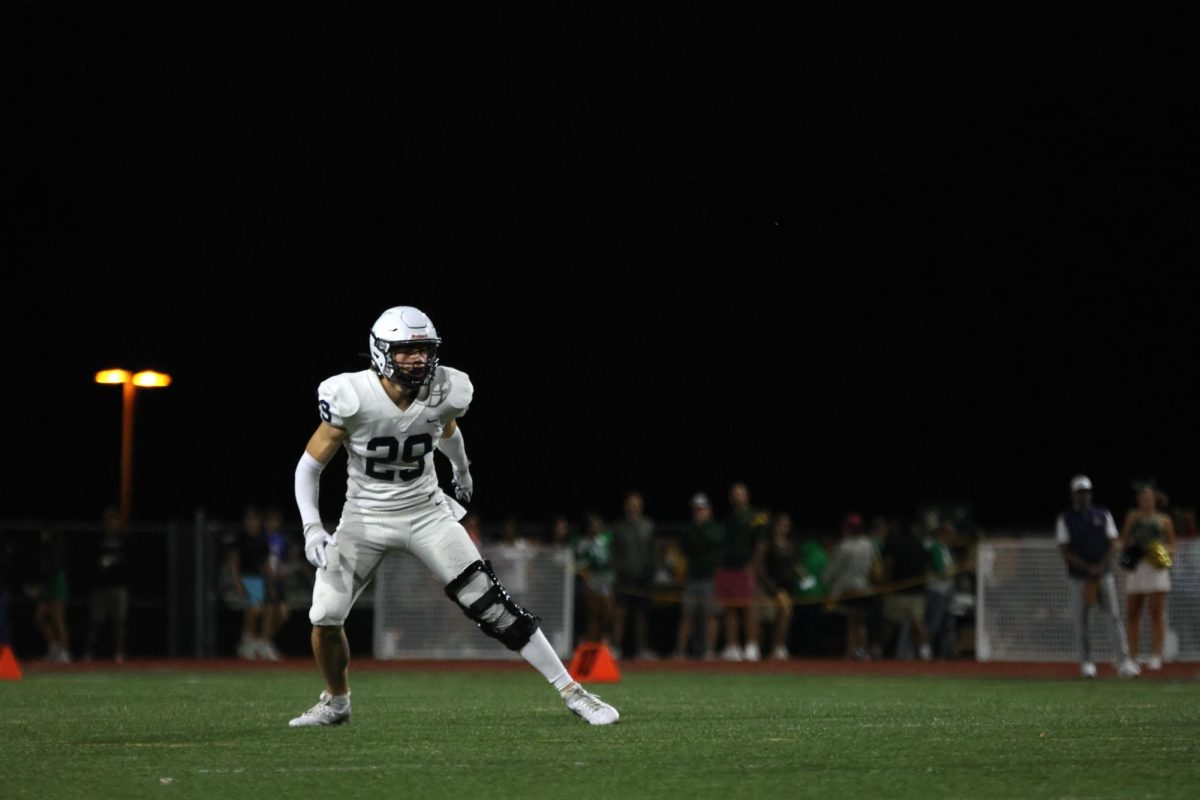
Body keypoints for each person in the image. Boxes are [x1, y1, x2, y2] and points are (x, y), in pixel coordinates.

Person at [289, 305, 618, 727]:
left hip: (426, 512)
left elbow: (446, 430)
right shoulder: (351, 396)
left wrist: (462, 472)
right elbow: (309, 467)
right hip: (364, 519)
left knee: (492, 604)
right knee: (325, 616)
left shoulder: (445, 390)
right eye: (406, 350)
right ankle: (336, 703)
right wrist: (312, 527)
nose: (418, 358)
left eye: (424, 349)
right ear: (379, 351)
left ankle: (574, 691)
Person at [1055, 475, 1139, 678]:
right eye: (1080, 492)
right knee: (1080, 620)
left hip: (1103, 575)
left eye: (1087, 492)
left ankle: (1123, 662)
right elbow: (1065, 551)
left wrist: (1100, 567)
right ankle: (1086, 663)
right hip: (1078, 578)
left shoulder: (1102, 514)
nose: (1084, 496)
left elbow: (1113, 543)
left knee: (1114, 617)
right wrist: (1088, 568)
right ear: (1073, 494)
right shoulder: (1066, 518)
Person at [1120, 479, 1177, 670]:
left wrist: (1161, 553)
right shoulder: (1132, 517)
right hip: (1137, 568)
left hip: (1155, 568)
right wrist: (1130, 551)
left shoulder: (1164, 520)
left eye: (1149, 497)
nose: (1145, 500)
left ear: (1154, 499)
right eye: (1142, 497)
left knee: (1156, 612)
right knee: (1132, 612)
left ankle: (1156, 655)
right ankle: (1132, 657)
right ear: (1138, 500)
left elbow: (1172, 545)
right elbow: (1125, 540)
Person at [715, 481, 768, 661]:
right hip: (728, 568)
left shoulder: (756, 517)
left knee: (747, 608)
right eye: (734, 493)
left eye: (740, 493)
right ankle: (732, 646)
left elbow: (761, 544)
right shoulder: (727, 520)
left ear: (747, 496)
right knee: (729, 608)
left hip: (745, 568)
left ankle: (752, 646)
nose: (737, 496)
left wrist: (753, 565)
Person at [671, 493, 725, 660]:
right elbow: (685, 547)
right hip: (692, 577)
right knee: (687, 614)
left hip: (710, 577)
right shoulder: (690, 528)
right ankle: (680, 651)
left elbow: (712, 542)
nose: (698, 513)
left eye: (702, 509)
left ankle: (709, 651)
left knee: (711, 614)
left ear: (708, 510)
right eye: (696, 510)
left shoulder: (715, 527)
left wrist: (700, 535)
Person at [610, 490, 657, 660]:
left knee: (641, 616)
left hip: (643, 578)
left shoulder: (648, 526)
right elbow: (613, 552)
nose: (634, 507)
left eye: (637, 505)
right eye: (631, 504)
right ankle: (615, 648)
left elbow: (653, 552)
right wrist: (617, 571)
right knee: (619, 614)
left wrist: (651, 572)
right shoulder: (619, 528)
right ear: (626, 507)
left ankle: (641, 649)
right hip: (623, 577)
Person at [84, 507, 131, 663]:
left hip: (118, 587)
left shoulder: (124, 540)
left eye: (114, 520)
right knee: (95, 621)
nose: (112, 524)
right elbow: (90, 562)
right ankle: (89, 654)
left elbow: (130, 563)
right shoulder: (98, 540)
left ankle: (119, 654)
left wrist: (114, 563)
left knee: (119, 622)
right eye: (109, 521)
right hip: (100, 588)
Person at [756, 512, 798, 660]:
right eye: (781, 524)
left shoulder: (790, 544)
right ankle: (757, 648)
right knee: (763, 619)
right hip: (768, 587)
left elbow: (794, 566)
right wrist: (770, 586)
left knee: (785, 614)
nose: (783, 528)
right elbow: (759, 567)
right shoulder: (767, 543)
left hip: (786, 587)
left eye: (786, 525)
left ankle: (778, 647)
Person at [31, 526, 71, 663]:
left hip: (56, 583)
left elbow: (54, 570)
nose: (41, 535)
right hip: (47, 584)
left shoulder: (55, 548)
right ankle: (54, 647)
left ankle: (65, 652)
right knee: (39, 618)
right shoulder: (43, 549)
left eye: (44, 532)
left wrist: (43, 589)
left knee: (57, 619)